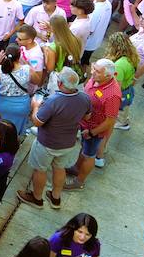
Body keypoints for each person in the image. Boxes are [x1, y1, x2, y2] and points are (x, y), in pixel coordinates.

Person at [17, 68, 90, 210]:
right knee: (59, 168)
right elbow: (87, 116)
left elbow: (37, 122)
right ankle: (55, 198)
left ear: (60, 84)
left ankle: (37, 198)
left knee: (40, 170)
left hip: (47, 143)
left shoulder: (53, 101)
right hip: (68, 143)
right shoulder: (84, 98)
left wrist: (35, 106)